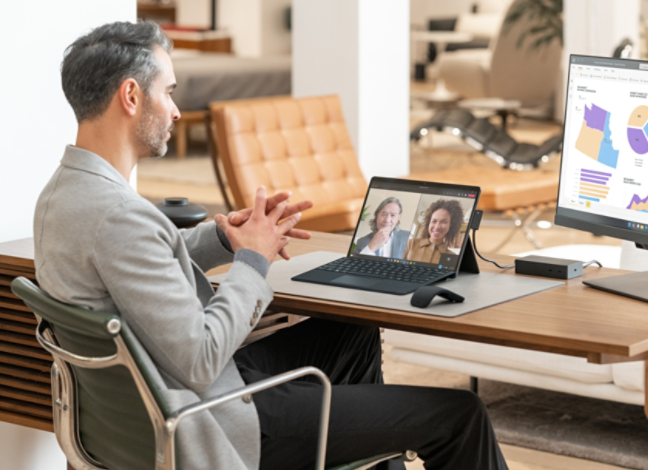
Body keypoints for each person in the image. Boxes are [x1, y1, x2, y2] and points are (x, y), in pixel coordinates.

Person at [35, 21, 509, 470]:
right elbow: (201, 359)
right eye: (170, 92)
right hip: (213, 419)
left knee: (351, 333)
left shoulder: (66, 194)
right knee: (460, 413)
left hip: (154, 402)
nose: (176, 110)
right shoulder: (121, 217)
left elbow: (143, 257)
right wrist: (252, 258)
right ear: (132, 96)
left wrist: (224, 236)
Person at [404, 199, 466, 264]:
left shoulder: (452, 256)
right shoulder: (411, 244)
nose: (437, 227)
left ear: (451, 225)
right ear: (429, 223)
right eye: (434, 221)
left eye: (444, 222)